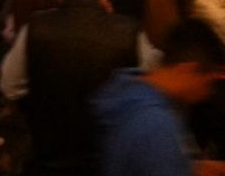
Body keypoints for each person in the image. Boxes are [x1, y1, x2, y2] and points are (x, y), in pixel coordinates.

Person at [0, 0, 138, 176]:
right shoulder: (128, 31)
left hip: (51, 153)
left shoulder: (36, 28)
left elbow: (9, 84)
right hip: (107, 154)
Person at [94, 19, 225, 176]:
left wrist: (195, 168)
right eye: (209, 82)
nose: (209, 93)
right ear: (188, 69)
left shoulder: (127, 88)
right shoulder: (156, 124)